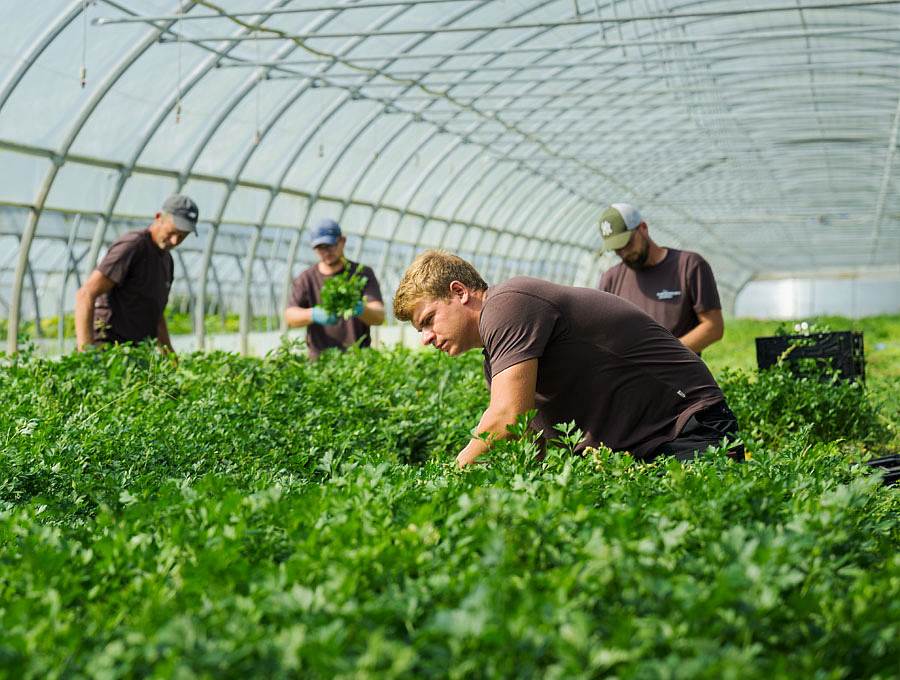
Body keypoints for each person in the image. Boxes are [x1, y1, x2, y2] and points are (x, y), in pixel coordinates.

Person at [393, 250, 742, 468]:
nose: (425, 338)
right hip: (644, 446)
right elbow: (530, 434)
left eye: (428, 320)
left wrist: (451, 474)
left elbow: (506, 417)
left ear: (459, 292)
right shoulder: (496, 354)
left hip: (687, 428)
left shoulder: (508, 304)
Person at [75, 194, 198, 353]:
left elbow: (155, 315)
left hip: (136, 351)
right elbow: (85, 294)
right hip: (108, 349)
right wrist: (86, 354)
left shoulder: (167, 261)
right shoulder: (133, 246)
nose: (175, 241)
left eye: (182, 236)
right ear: (159, 217)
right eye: (172, 232)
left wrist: (171, 359)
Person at [598, 203, 724, 354]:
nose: (624, 253)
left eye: (627, 243)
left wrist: (664, 356)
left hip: (679, 375)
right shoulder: (611, 279)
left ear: (643, 228)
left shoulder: (689, 266)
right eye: (617, 249)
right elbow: (604, 334)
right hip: (630, 375)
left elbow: (713, 326)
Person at [284, 218, 385, 360]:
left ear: (342, 241)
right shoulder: (306, 279)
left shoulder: (361, 274)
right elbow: (290, 315)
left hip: (359, 360)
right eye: (321, 247)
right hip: (319, 361)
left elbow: (379, 316)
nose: (326, 251)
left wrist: (360, 308)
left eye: (331, 245)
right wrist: (313, 314)